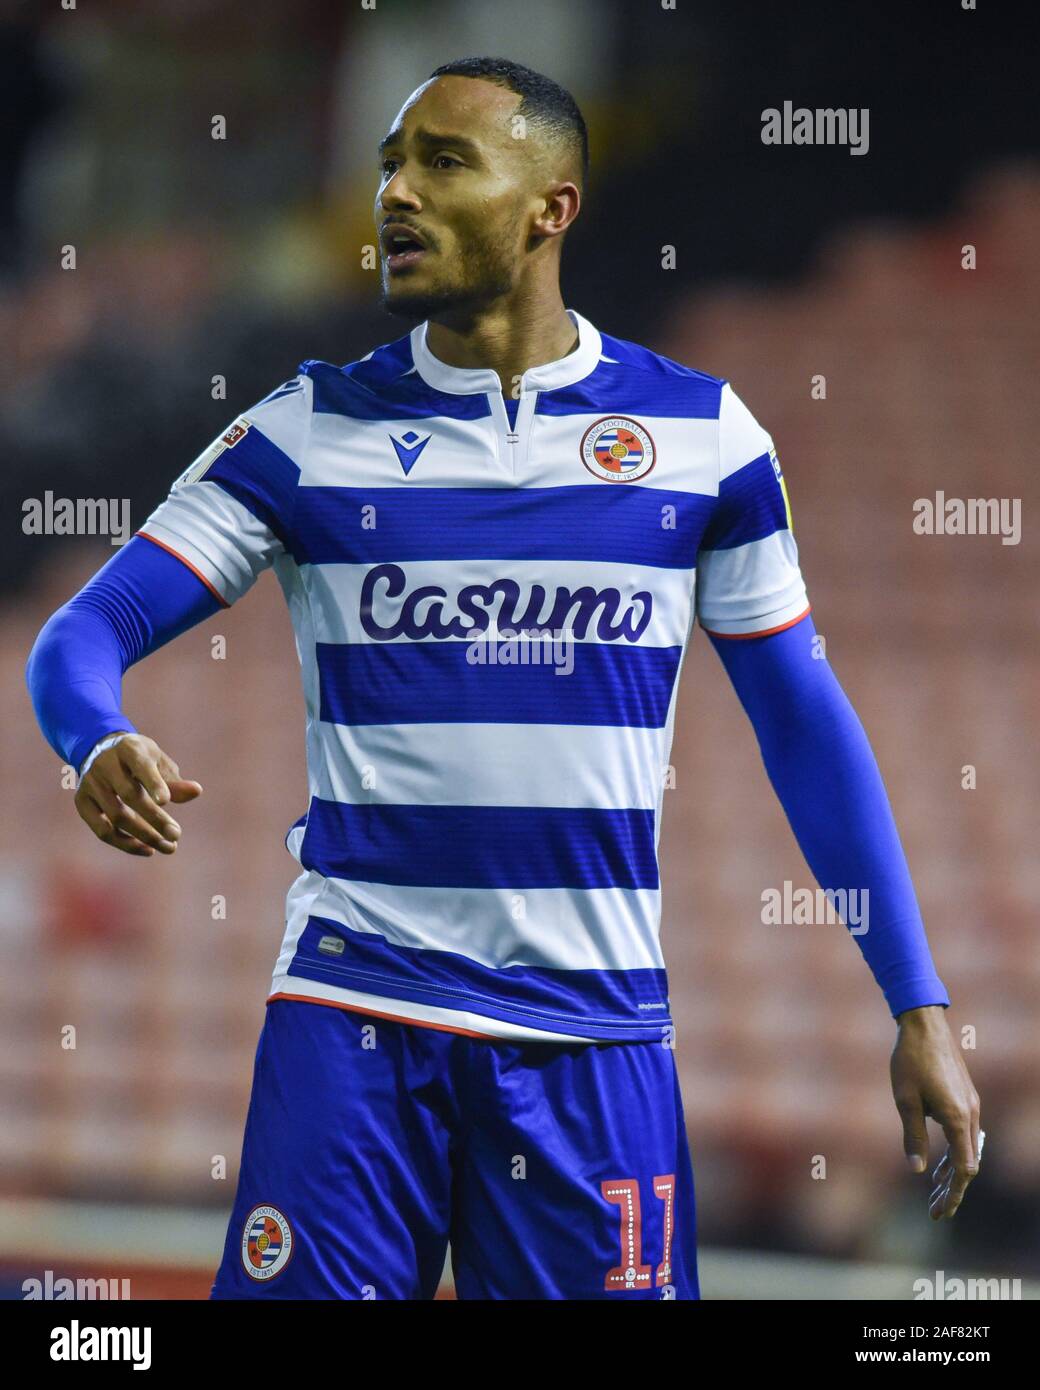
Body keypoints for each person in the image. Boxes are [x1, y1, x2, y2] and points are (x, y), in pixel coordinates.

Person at [27, 56, 981, 1300]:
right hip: (354, 1014)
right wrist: (96, 739)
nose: (396, 195)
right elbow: (81, 634)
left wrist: (912, 999)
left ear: (551, 208)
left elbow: (801, 719)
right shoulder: (305, 430)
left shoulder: (703, 438)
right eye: (388, 165)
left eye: (442, 161)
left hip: (592, 1037)